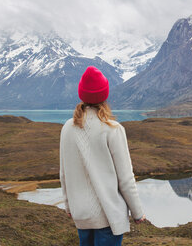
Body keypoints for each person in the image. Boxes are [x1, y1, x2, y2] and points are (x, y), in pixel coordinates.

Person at [59, 66, 145, 246]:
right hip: (108, 215)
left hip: (81, 214)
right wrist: (137, 213)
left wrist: (69, 206)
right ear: (104, 96)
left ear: (81, 94)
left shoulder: (67, 128)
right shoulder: (113, 129)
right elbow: (126, 178)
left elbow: (64, 174)